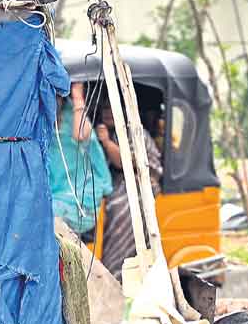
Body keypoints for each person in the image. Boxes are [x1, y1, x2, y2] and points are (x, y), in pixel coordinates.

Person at [96, 101, 163, 280]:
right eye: (104, 108)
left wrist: (106, 142)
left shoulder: (133, 131)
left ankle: (116, 271)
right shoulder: (103, 132)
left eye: (111, 108)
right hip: (117, 182)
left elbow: (126, 162)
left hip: (140, 182)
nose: (108, 113)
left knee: (119, 209)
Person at [48, 83, 112, 240]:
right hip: (54, 195)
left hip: (80, 198)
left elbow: (80, 134)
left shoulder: (76, 120)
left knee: (46, 215)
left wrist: (77, 97)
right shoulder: (45, 126)